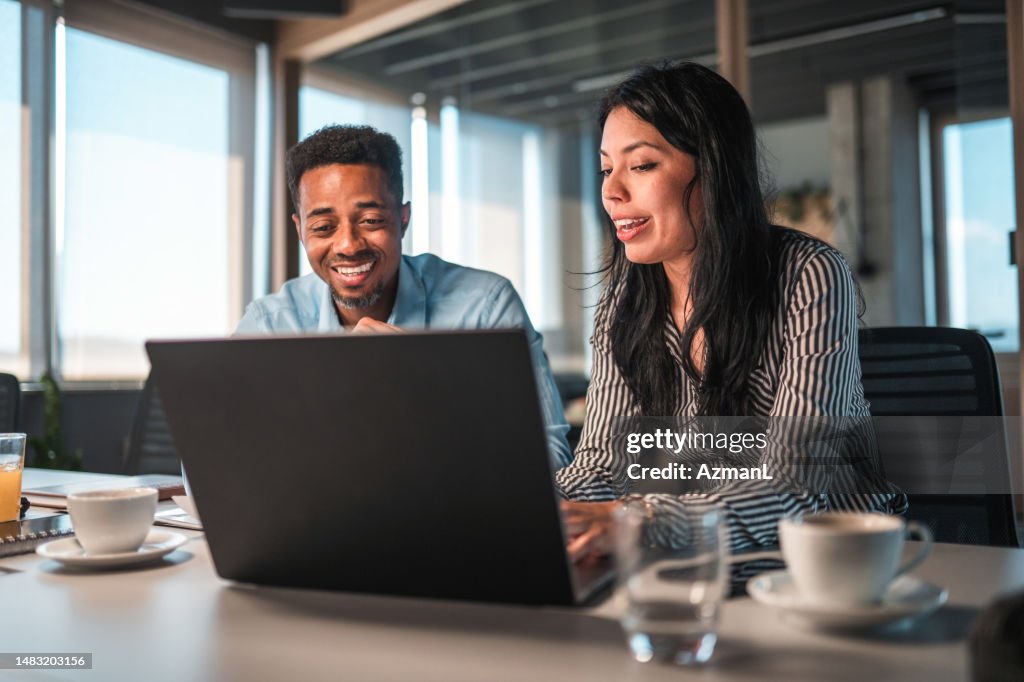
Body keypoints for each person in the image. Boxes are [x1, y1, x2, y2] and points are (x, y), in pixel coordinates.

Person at [556, 62, 905, 558]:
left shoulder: (808, 274)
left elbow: (796, 486)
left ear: (714, 169)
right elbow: (601, 465)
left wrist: (639, 519)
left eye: (642, 165)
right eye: (606, 169)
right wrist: (535, 506)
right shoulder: (622, 301)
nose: (611, 192)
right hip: (698, 553)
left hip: (834, 558)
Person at [236, 124, 571, 468]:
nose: (348, 245)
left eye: (371, 220)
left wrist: (424, 390)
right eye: (323, 227)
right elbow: (223, 462)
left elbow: (553, 460)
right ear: (300, 230)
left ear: (403, 218)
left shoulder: (485, 306)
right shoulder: (269, 325)